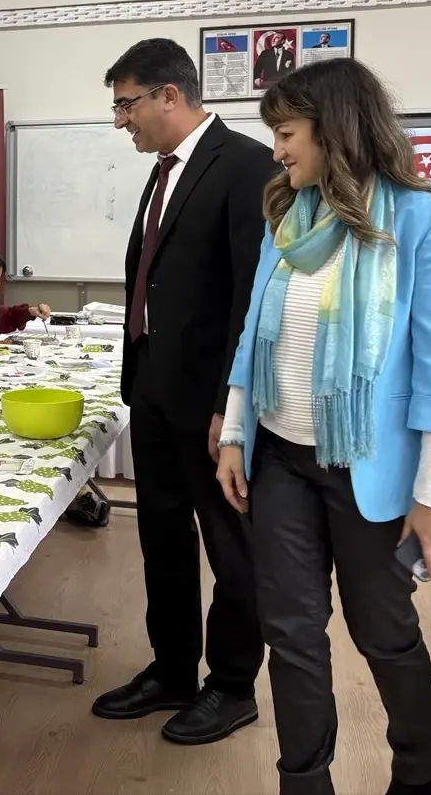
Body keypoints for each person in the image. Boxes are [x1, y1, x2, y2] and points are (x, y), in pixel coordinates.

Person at [216, 57, 431, 795]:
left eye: (287, 132)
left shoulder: (427, 220)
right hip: (282, 462)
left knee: (382, 632)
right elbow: (253, 337)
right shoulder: (286, 218)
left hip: (371, 471)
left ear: (335, 130)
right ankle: (304, 783)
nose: (276, 150)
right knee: (291, 635)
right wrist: (235, 433)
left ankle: (417, 775)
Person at [91, 37, 278, 744]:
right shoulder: (164, 171)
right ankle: (172, 669)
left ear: (170, 95)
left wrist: (231, 406)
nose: (121, 121)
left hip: (209, 407)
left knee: (231, 548)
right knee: (161, 538)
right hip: (153, 391)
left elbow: (250, 300)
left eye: (126, 105)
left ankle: (231, 685)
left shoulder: (246, 165)